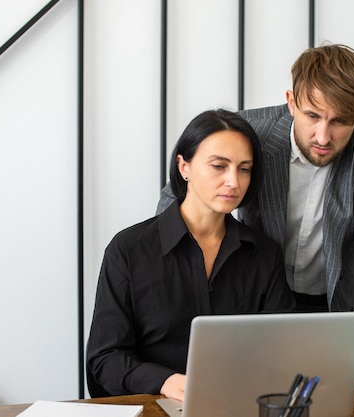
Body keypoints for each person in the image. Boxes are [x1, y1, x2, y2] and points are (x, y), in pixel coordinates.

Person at [158, 44, 354, 385]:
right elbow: (179, 195)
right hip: (257, 304)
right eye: (312, 116)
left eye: (341, 121)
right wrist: (173, 288)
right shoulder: (248, 132)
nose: (323, 136)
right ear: (291, 101)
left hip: (338, 306)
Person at [87, 109, 295, 401]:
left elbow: (281, 349)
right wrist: (165, 382)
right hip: (156, 405)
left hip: (238, 403)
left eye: (244, 168)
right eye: (219, 166)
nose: (234, 181)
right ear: (184, 167)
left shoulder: (263, 254)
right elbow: (103, 359)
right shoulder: (128, 250)